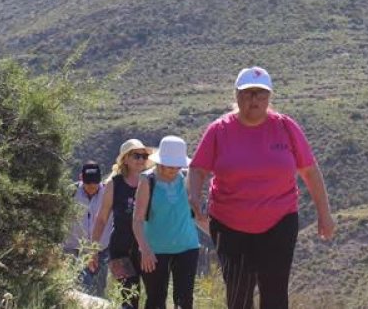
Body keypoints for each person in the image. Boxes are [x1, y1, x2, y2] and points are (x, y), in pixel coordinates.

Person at [188, 66, 336, 309]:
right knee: (238, 293)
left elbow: (310, 171)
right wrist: (194, 195)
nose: (254, 99)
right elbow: (198, 169)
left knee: (275, 293)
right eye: (248, 93)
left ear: (269, 97)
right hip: (229, 225)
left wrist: (324, 214)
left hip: (279, 222)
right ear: (237, 95)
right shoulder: (219, 130)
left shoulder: (286, 128)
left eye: (260, 93)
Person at [133, 135, 201, 309]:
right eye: (170, 165)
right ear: (160, 162)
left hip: (187, 246)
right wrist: (145, 249)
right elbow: (138, 220)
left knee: (184, 300)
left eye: (177, 165)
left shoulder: (186, 177)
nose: (173, 169)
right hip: (155, 251)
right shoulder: (147, 180)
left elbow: (197, 214)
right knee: (155, 300)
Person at [91, 139, 153, 309]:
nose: (141, 159)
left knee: (155, 296)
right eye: (136, 156)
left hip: (147, 248)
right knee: (128, 299)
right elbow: (101, 218)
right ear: (125, 159)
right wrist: (93, 249)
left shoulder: (151, 181)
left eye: (144, 156)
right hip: (120, 250)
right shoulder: (114, 184)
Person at [64, 161, 112, 297]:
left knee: (98, 291)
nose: (92, 186)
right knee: (77, 289)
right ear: (81, 178)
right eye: (88, 183)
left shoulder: (108, 193)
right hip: (73, 250)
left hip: (101, 250)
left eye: (95, 183)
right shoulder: (70, 192)